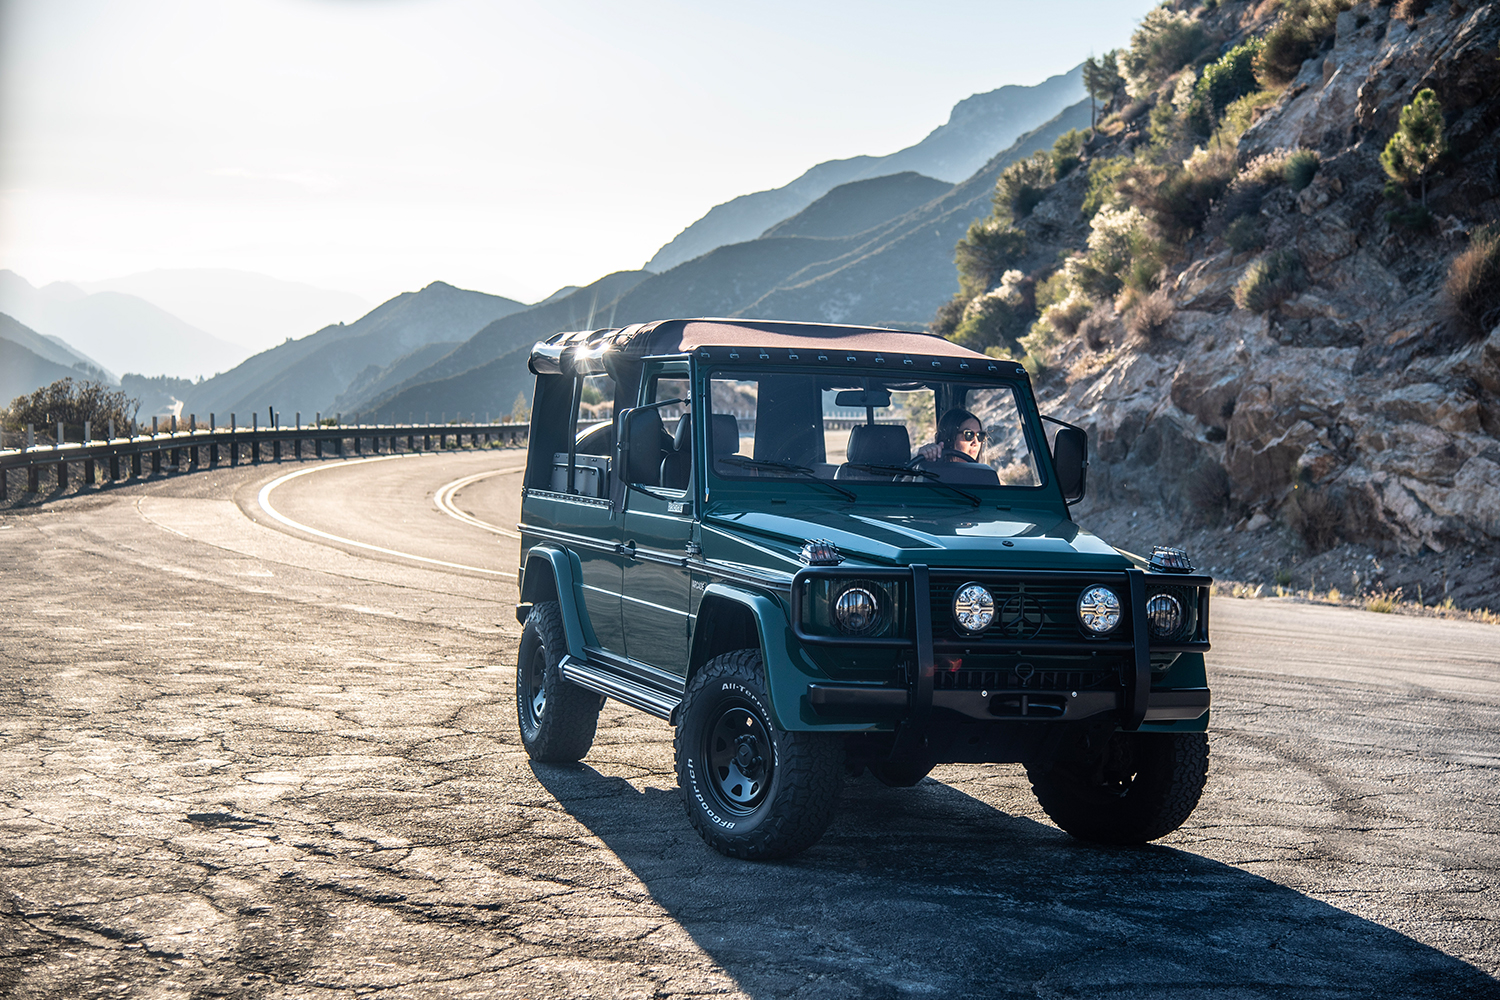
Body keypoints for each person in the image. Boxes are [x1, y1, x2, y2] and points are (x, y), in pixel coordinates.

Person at [916, 407, 986, 463]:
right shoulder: (933, 470)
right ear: (950, 437)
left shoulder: (983, 474)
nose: (975, 443)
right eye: (969, 435)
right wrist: (924, 460)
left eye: (980, 436)